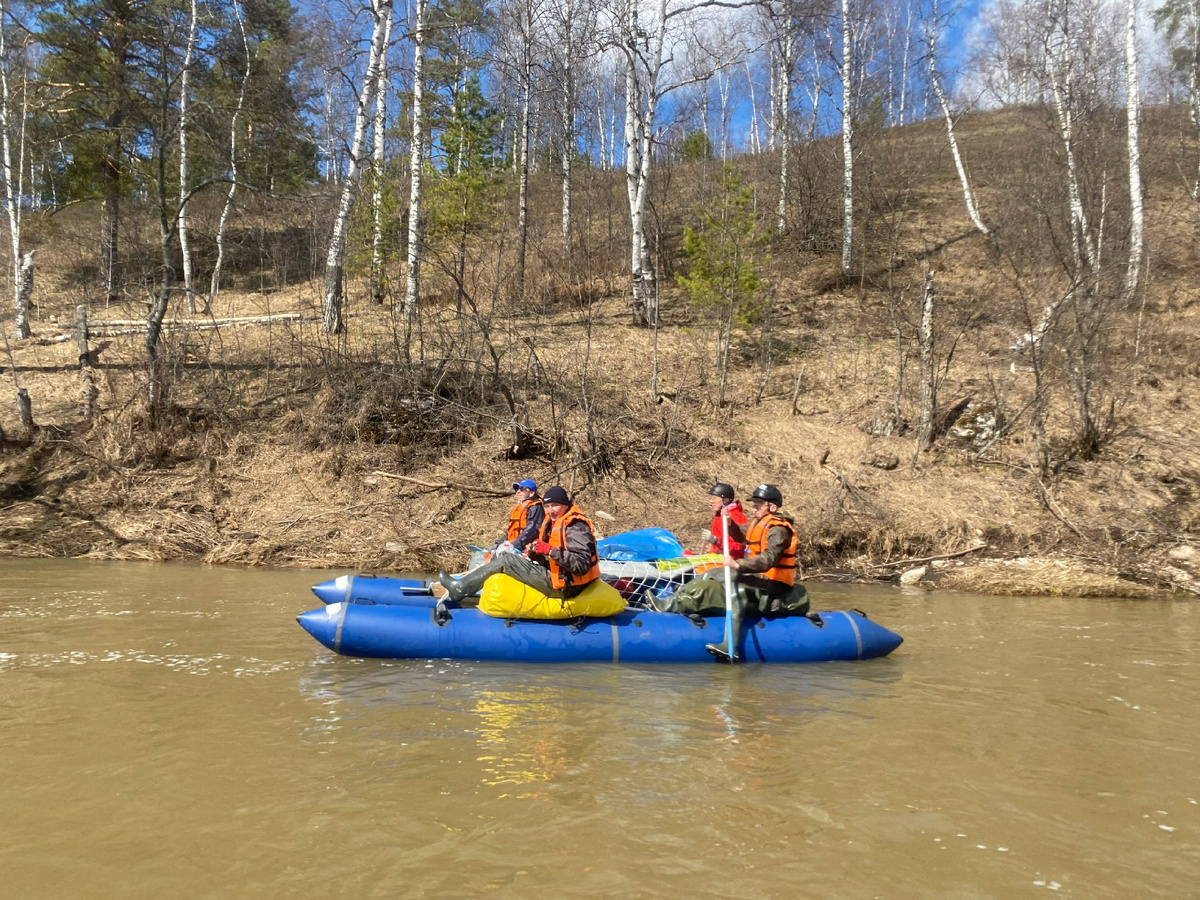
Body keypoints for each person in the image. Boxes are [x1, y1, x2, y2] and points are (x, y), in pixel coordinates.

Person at [658, 483, 808, 663]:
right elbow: (741, 535)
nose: (754, 508)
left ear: (772, 507)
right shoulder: (758, 523)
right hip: (758, 577)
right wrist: (730, 524)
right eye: (753, 504)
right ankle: (667, 604)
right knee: (711, 574)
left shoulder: (779, 530)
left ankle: (731, 646)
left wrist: (738, 565)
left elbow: (769, 559)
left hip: (774, 583)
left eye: (758, 505)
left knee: (736, 591)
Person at [438, 485, 600, 603]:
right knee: (504, 557)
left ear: (566, 505)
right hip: (560, 578)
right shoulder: (555, 522)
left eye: (555, 505)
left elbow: (581, 565)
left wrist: (550, 550)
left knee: (507, 561)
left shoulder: (575, 526)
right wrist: (535, 552)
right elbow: (554, 560)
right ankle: (473, 589)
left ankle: (459, 589)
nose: (551, 511)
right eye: (548, 506)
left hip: (567, 587)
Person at [493, 478, 544, 555]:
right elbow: (510, 532)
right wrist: (497, 545)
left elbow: (532, 530)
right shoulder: (519, 507)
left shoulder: (536, 507)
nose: (518, 491)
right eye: (516, 489)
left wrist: (514, 546)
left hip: (527, 549)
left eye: (522, 489)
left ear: (531, 493)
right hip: (513, 546)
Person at [700, 482, 747, 559]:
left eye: (714, 498)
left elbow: (739, 546)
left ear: (725, 500)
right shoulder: (720, 516)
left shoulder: (735, 516)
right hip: (719, 561)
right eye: (711, 498)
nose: (711, 501)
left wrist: (716, 541)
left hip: (731, 564)